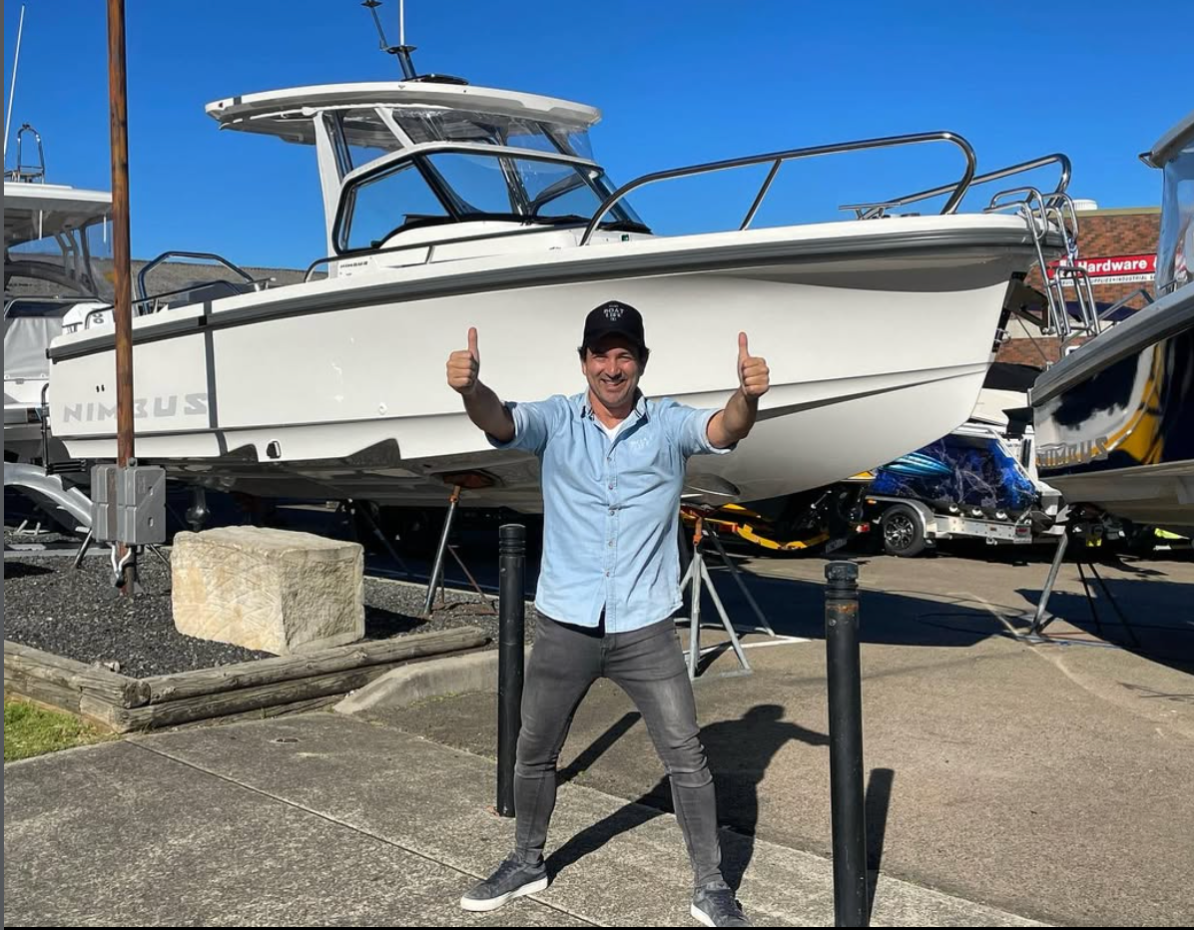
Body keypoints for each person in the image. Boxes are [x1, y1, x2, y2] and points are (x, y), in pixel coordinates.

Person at [447, 300, 769, 927]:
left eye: (624, 355)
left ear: (641, 363)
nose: (612, 367)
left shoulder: (668, 424)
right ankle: (526, 861)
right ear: (585, 360)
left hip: (645, 626)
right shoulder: (558, 419)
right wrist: (470, 388)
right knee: (534, 748)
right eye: (601, 354)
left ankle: (711, 888)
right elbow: (502, 422)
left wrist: (747, 397)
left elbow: (723, 429)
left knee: (686, 754)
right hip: (566, 621)